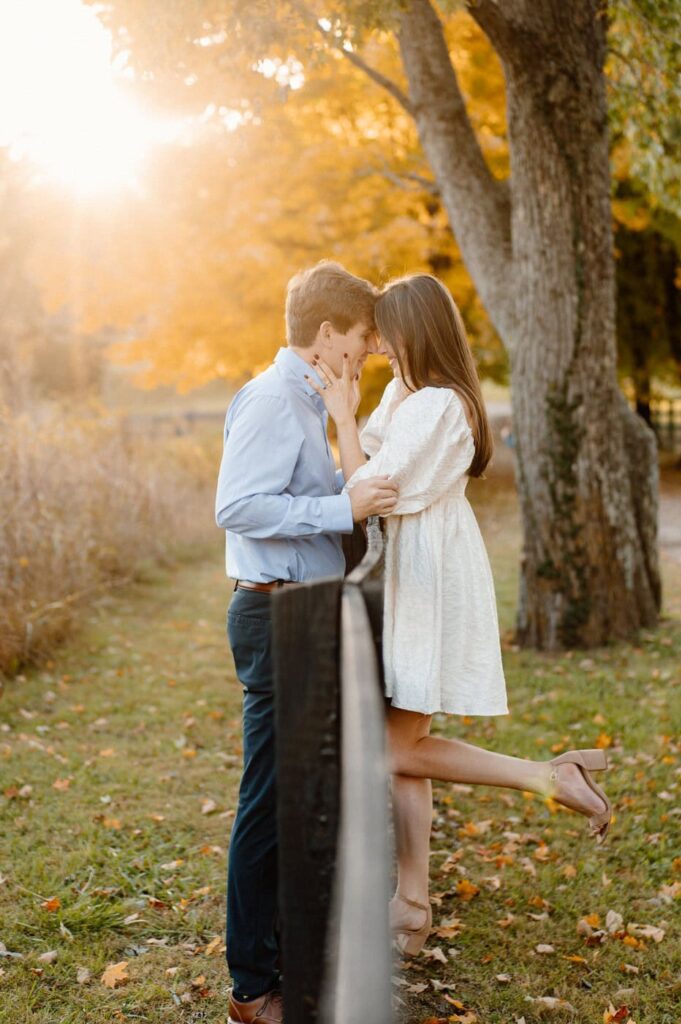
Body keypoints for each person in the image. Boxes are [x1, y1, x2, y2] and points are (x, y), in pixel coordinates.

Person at [307, 272, 612, 957]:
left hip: (427, 573)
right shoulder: (406, 394)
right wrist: (355, 426)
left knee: (395, 744)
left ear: (416, 329)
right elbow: (360, 476)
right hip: (408, 567)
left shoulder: (441, 404)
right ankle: (411, 903)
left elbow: (369, 487)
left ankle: (548, 777)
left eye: (386, 331)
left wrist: (345, 421)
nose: (378, 344)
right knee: (404, 743)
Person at [215, 260, 398, 1024]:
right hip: (272, 614)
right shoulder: (269, 400)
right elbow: (239, 506)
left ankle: (287, 950)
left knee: (293, 798)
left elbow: (304, 497)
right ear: (327, 335)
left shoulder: (308, 400)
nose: (363, 354)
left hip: (303, 611)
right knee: (267, 801)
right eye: (358, 340)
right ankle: (252, 988)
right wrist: (341, 507)